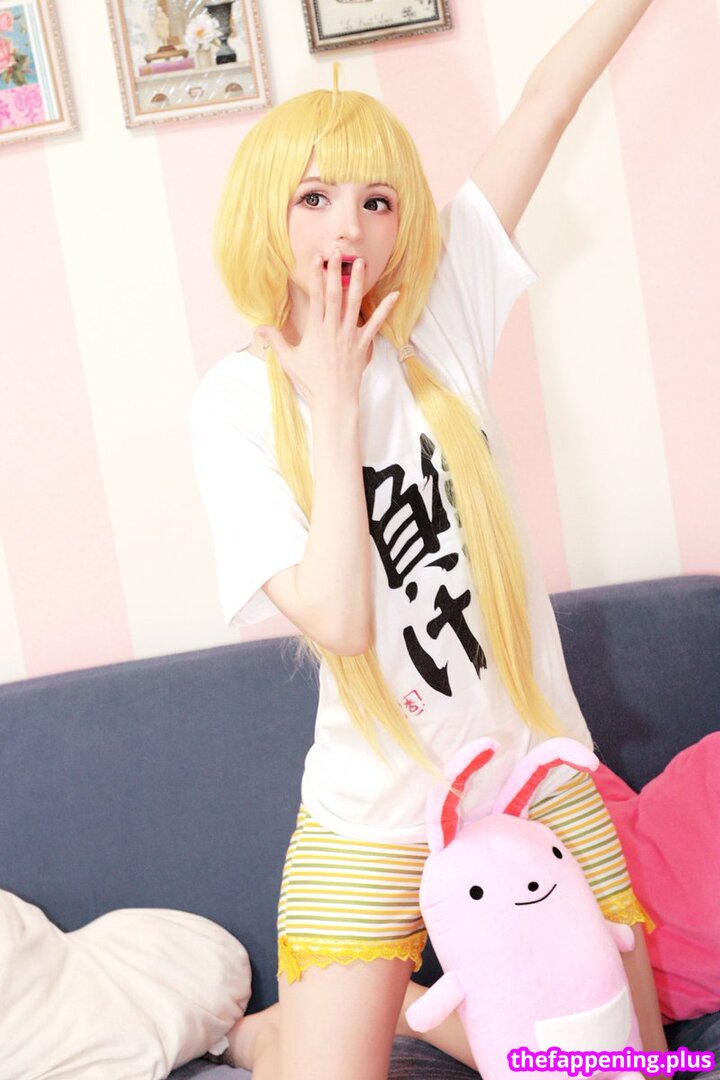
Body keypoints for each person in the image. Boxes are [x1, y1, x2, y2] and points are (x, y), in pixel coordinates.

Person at [190, 3, 666, 1075]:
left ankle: (431, 1008)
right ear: (267, 213)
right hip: (373, 810)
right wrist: (332, 405)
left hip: (531, 775)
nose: (347, 228)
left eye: (377, 200)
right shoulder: (234, 404)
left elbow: (548, 100)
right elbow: (342, 620)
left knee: (623, 1066)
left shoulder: (442, 319)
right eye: (314, 197)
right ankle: (298, 1028)